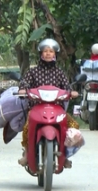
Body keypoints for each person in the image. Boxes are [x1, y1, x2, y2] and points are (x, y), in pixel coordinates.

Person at [18, 38, 79, 167]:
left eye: (51, 51)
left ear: (55, 54)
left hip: (57, 108)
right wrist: (23, 89)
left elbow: (66, 86)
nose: (48, 54)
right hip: (36, 108)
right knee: (27, 127)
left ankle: (65, 154)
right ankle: (27, 153)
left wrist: (71, 92)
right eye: (45, 51)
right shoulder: (33, 72)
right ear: (41, 54)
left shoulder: (59, 72)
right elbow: (24, 83)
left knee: (73, 125)